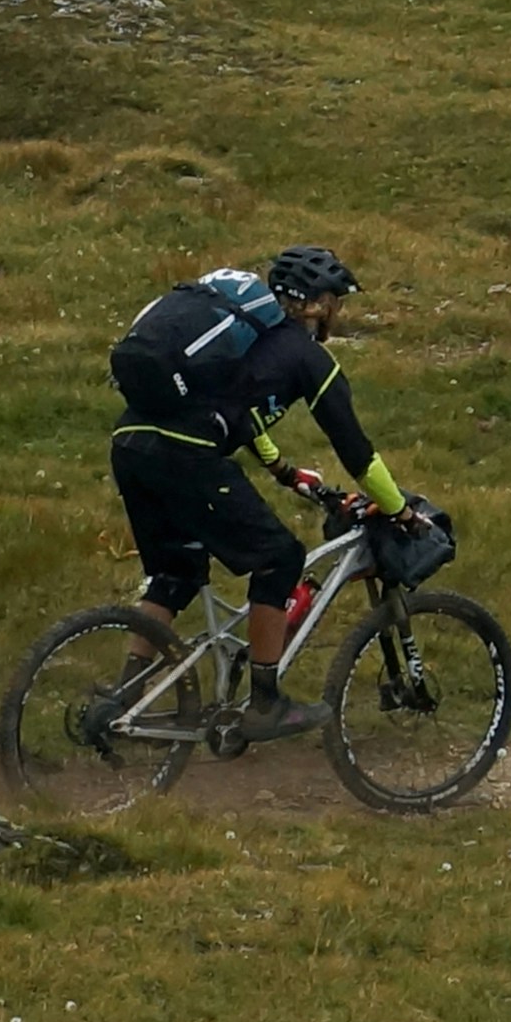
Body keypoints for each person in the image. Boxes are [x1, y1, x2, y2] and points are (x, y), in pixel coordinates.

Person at [105, 246, 410, 706]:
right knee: (280, 558)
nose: (337, 311)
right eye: (335, 300)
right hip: (186, 454)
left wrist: (283, 471)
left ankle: (121, 699)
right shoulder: (306, 357)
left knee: (175, 573)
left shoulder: (248, 343)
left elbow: (241, 415)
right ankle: (266, 702)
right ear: (317, 303)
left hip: (130, 442)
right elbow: (357, 452)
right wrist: (399, 509)